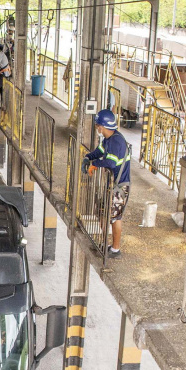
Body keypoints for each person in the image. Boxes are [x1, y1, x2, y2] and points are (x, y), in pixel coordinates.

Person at [84, 109, 131, 259]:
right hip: (112, 184)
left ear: (102, 126)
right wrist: (88, 157)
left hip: (120, 186)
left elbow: (110, 162)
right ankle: (104, 244)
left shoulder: (117, 142)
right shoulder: (108, 139)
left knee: (115, 217)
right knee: (103, 212)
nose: (97, 128)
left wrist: (94, 164)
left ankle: (115, 249)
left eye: (98, 125)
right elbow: (99, 151)